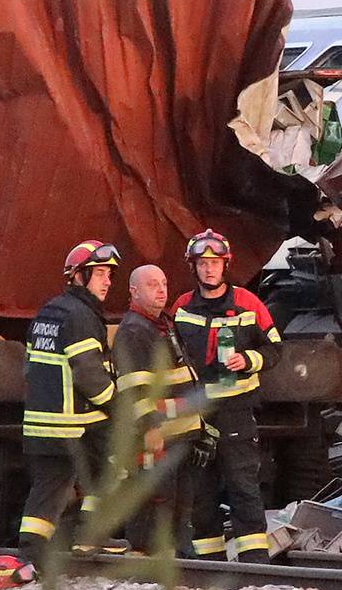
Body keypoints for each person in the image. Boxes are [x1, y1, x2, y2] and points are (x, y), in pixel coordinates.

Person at [0, 240, 121, 589]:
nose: (106, 282)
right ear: (78, 276)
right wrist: (118, 407)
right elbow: (89, 374)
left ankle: (31, 555)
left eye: (108, 275)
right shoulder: (81, 316)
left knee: (47, 489)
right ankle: (90, 536)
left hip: (42, 422)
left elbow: (31, 369)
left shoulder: (49, 313)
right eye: (99, 274)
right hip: (74, 423)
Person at [171, 230, 281, 562]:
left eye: (214, 263)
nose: (209, 270)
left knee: (242, 484)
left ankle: (256, 565)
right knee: (200, 490)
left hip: (236, 409)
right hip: (197, 412)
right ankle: (209, 565)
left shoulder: (249, 304)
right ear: (194, 267)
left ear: (225, 265)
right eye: (203, 264)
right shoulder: (181, 307)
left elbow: (275, 349)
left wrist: (248, 360)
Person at [112, 263, 209, 553]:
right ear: (134, 291)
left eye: (164, 283)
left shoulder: (163, 324)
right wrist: (150, 427)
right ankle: (146, 561)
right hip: (157, 436)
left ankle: (176, 564)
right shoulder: (133, 330)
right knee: (155, 503)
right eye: (152, 284)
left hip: (180, 434)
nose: (161, 290)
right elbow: (133, 388)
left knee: (179, 503)